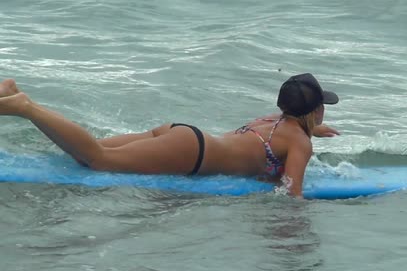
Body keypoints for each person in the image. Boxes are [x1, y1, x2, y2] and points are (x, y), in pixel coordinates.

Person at [0, 73, 340, 197]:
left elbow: (285, 130)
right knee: (97, 159)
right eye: (321, 109)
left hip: (183, 134)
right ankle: (24, 106)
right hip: (190, 153)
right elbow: (290, 194)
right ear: (314, 112)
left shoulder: (273, 120)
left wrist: (312, 129)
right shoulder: (300, 141)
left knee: (87, 149)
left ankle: (13, 92)